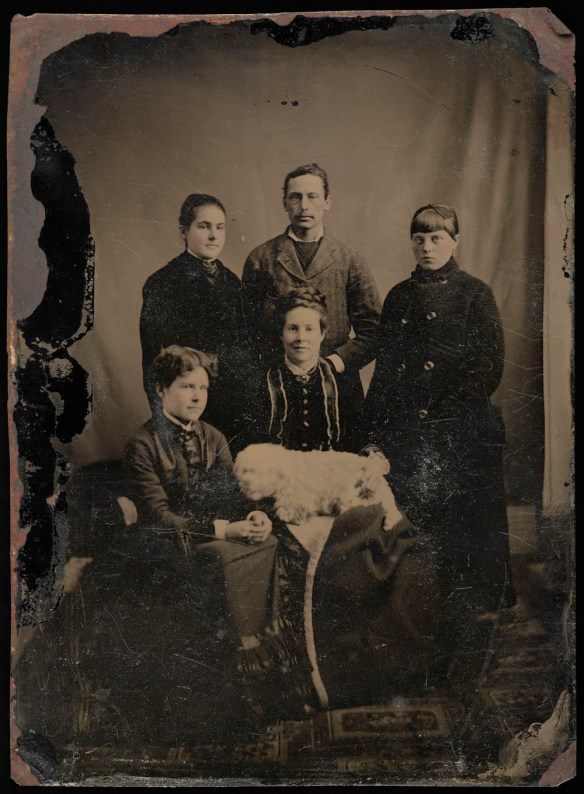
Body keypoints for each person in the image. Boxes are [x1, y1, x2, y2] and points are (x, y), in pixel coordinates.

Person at [363, 203, 515, 679]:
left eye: (438, 238)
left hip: (461, 436)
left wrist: (441, 417)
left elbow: (487, 367)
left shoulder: (475, 294)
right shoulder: (398, 297)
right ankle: (418, 643)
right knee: (417, 544)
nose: (428, 247)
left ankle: (465, 650)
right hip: (410, 436)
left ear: (455, 242)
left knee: (463, 546)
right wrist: (372, 437)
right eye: (420, 238)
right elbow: (385, 373)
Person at [241, 163, 381, 419]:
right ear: (284, 202)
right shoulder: (260, 259)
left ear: (327, 202)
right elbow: (247, 332)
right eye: (296, 197)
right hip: (276, 392)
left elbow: (374, 331)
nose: (304, 205)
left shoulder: (350, 259)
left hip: (339, 391)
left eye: (312, 196)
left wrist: (335, 363)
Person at [140, 193, 254, 449]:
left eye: (220, 227)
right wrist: (164, 420)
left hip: (231, 404)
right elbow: (152, 360)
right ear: (184, 231)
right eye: (204, 226)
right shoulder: (162, 283)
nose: (213, 236)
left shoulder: (233, 283)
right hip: (185, 403)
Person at [247, 287, 359, 452]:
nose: (301, 338)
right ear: (281, 334)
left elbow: (354, 442)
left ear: (322, 334)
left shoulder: (343, 384)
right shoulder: (260, 383)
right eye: (293, 328)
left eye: (309, 329)